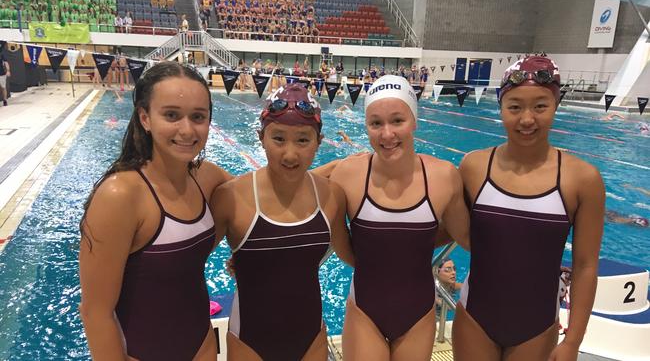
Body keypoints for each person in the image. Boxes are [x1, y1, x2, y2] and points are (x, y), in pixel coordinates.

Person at [454, 56, 605, 361]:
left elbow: (586, 266)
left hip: (536, 327)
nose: (526, 119)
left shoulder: (582, 179)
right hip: (474, 319)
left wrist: (573, 341)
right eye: (514, 107)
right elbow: (451, 229)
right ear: (500, 108)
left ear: (555, 105)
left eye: (540, 106)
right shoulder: (474, 166)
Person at [78, 62, 231, 360]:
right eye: (172, 115)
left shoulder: (206, 177)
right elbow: (96, 313)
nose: (187, 130)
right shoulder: (120, 195)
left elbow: (260, 194)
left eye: (198, 117)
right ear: (145, 117)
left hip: (203, 346)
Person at [319, 75, 470, 360]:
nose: (387, 134)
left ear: (414, 121)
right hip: (365, 311)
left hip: (418, 314)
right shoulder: (347, 175)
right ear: (366, 127)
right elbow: (340, 243)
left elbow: (465, 236)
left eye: (397, 121)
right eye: (376, 123)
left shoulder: (443, 176)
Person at [210, 84, 352, 360]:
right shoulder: (231, 197)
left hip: (311, 339)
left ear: (319, 142)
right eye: (278, 139)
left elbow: (355, 256)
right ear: (261, 138)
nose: (290, 154)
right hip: (249, 342)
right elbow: (186, 265)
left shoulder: (332, 196)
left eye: (303, 140)